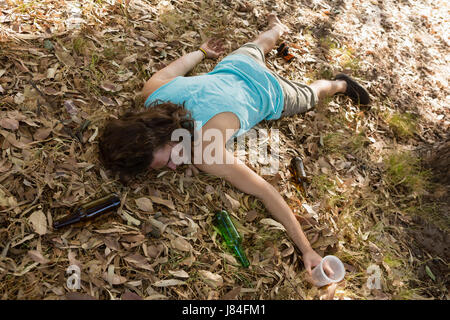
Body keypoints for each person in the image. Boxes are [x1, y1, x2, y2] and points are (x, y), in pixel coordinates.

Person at [98, 14, 370, 276]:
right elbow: (176, 68)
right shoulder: (153, 95)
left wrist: (308, 250)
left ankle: (340, 84)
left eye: (169, 158)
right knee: (262, 43)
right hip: (236, 65)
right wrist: (202, 53)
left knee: (312, 94)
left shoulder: (207, 152)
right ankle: (277, 27)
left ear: (168, 137)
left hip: (273, 92)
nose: (172, 167)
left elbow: (266, 192)